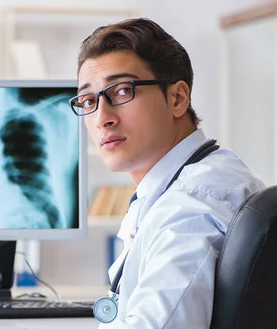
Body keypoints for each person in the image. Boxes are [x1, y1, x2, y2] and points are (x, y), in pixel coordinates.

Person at [71, 18, 265, 328]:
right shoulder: (184, 184)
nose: (101, 118)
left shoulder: (192, 205)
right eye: (89, 100)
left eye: (121, 91)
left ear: (177, 98)